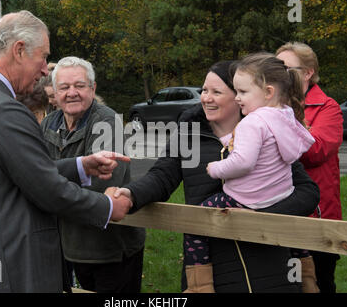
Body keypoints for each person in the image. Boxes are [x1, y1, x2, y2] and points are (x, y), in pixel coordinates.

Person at [0, 10, 132, 293]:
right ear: (19, 50)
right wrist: (107, 207)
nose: (46, 70)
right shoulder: (3, 110)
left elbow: (18, 172)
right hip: (16, 270)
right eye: (43, 57)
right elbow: (46, 187)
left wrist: (80, 165)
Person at [113, 60, 320, 293]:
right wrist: (131, 194)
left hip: (269, 264)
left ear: (239, 97)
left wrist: (259, 214)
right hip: (214, 268)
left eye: (216, 92)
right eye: (204, 90)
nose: (206, 98)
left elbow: (307, 191)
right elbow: (162, 176)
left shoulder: (266, 133)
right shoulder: (189, 134)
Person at [180, 53, 314, 292]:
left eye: (242, 92)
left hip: (245, 198)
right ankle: (309, 281)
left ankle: (198, 286)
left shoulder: (252, 122)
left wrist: (215, 168)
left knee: (196, 222)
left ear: (268, 92)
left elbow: (243, 162)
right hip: (281, 195)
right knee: (296, 231)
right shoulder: (284, 116)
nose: (239, 98)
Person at [41, 56, 145, 293]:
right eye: (64, 87)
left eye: (79, 86)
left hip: (110, 248)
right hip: (71, 244)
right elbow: (35, 171)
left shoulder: (106, 121)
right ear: (54, 93)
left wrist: (48, 188)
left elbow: (101, 184)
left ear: (93, 88)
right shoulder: (48, 124)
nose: (72, 93)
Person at [277, 42, 344, 293]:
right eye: (276, 69)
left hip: (318, 217)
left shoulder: (328, 108)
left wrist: (279, 132)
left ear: (308, 72)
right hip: (279, 211)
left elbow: (316, 151)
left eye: (287, 69)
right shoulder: (270, 107)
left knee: (319, 283)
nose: (280, 75)